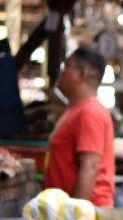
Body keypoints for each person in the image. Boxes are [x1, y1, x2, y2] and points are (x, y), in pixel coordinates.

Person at [44, 47, 116, 208]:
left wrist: (75, 219)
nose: (61, 71)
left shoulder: (89, 112)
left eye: (67, 65)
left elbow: (89, 167)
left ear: (81, 74)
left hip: (87, 216)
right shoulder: (75, 110)